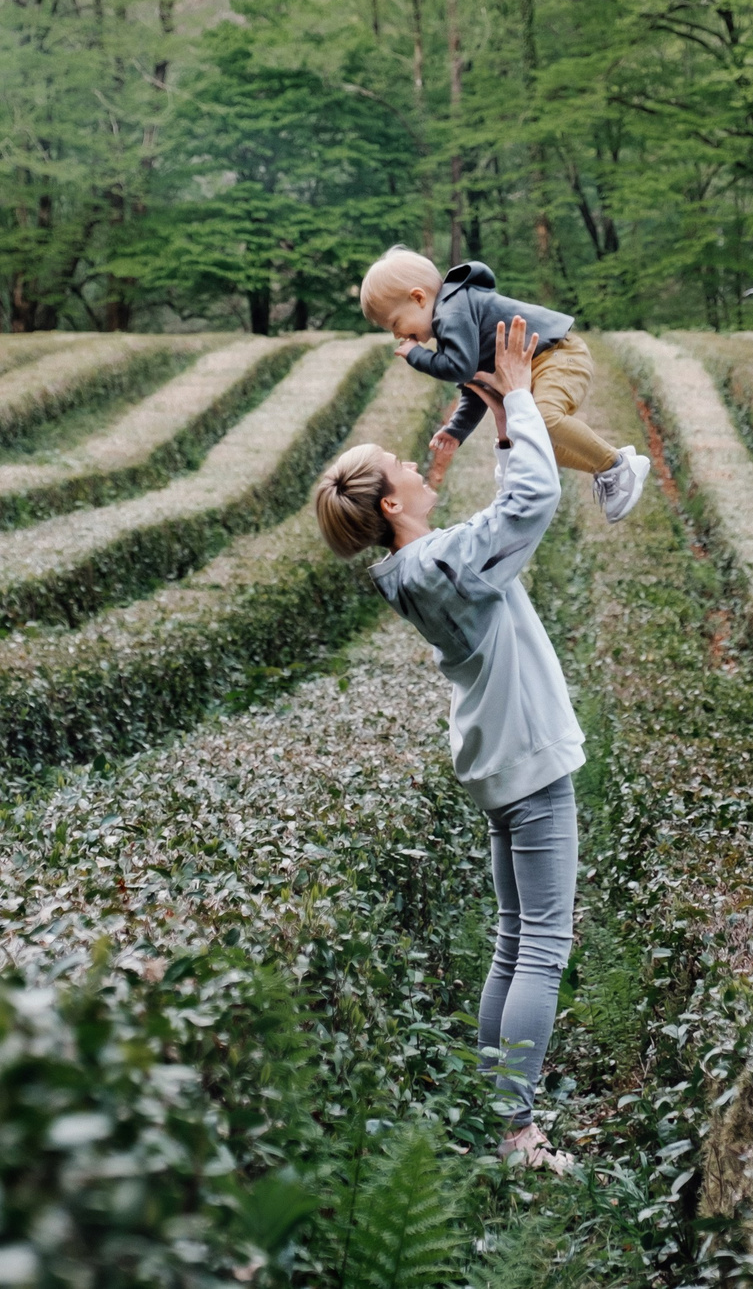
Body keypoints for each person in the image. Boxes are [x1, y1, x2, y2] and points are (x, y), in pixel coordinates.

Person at [311, 316, 584, 1173]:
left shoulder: (413, 566)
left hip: (496, 761)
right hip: (528, 756)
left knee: (513, 935)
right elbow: (531, 504)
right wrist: (525, 399)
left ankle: (494, 1106)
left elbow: (494, 519)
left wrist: (500, 417)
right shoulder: (441, 564)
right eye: (402, 469)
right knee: (544, 941)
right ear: (390, 505)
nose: (417, 467)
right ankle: (517, 1130)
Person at [358, 246, 651, 523]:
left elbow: (460, 368)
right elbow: (475, 384)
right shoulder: (454, 321)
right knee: (532, 441)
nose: (399, 336)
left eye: (396, 323)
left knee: (545, 420)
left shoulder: (452, 311)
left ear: (419, 298)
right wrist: (457, 429)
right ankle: (613, 467)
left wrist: (416, 356)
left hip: (557, 356)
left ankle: (616, 466)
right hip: (541, 364)